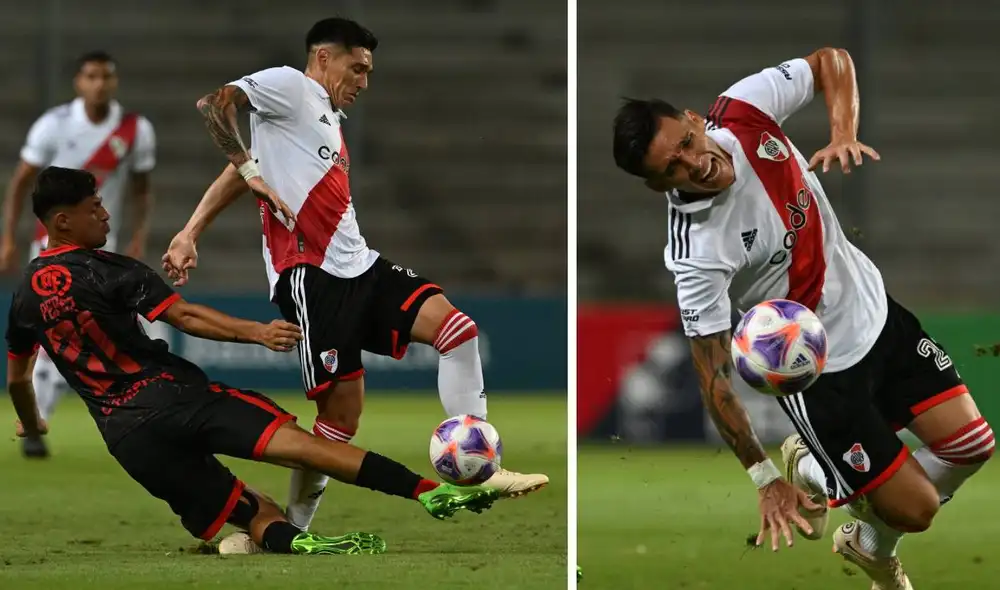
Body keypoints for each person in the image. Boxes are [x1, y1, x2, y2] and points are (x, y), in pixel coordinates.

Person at [612, 47, 992, 589]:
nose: (695, 164)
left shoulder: (744, 110)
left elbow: (831, 61)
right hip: (818, 371)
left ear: (695, 120)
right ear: (657, 186)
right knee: (917, 510)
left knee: (972, 447)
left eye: (687, 144)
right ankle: (813, 470)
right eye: (672, 168)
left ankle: (862, 539)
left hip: (877, 314)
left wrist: (842, 130)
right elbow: (712, 377)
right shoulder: (696, 252)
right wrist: (763, 477)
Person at [161, 16, 548, 533]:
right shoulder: (290, 86)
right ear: (324, 57)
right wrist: (238, 189)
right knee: (339, 423)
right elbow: (215, 106)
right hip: (312, 276)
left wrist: (192, 228)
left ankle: (481, 469)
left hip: (360, 264)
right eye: (358, 68)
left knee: (459, 332)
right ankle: (288, 530)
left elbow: (241, 168)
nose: (365, 82)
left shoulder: (321, 114)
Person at [6, 166, 498, 553]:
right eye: (95, 209)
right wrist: (257, 333)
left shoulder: (24, 295)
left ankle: (294, 542)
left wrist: (33, 425)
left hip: (129, 438)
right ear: (62, 221)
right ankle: (427, 492)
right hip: (180, 399)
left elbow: (18, 381)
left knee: (256, 509)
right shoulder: (111, 271)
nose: (107, 216)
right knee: (306, 448)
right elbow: (186, 317)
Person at [0, 51, 159, 457]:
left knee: (108, 333)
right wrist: (9, 238)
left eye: (107, 76)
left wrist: (139, 236)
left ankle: (142, 417)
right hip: (52, 247)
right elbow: (21, 182)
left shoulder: (135, 129)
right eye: (92, 76)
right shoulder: (53, 126)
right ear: (78, 82)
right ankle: (35, 424)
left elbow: (142, 190)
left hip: (106, 249)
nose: (100, 84)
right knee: (57, 332)